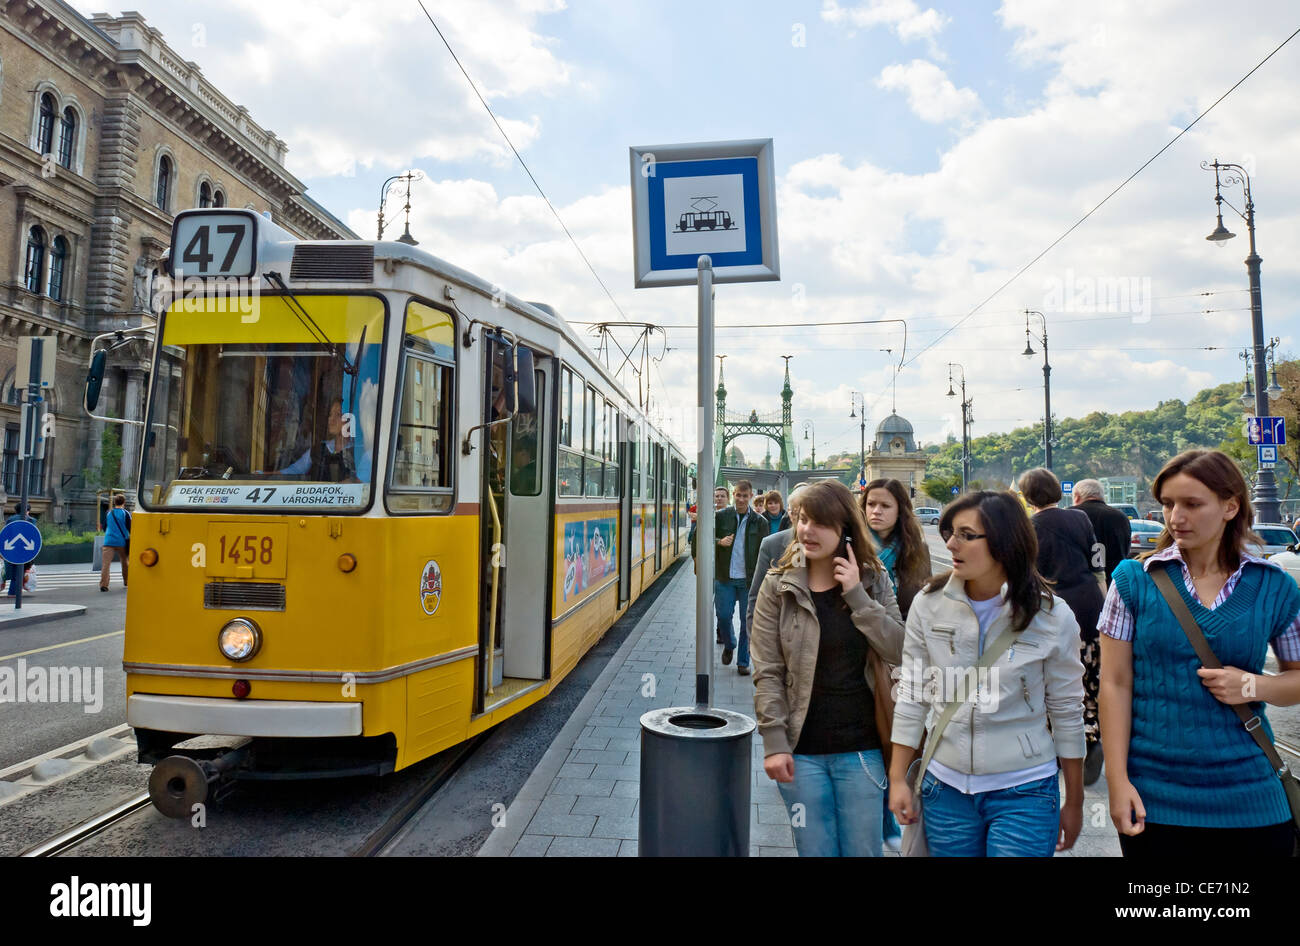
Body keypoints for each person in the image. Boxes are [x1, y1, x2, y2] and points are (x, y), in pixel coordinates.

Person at [1099, 449, 1300, 858]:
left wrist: (1252, 684)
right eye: (1168, 504)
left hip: (1251, 796)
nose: (1175, 518)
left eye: (1192, 504)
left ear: (1230, 507)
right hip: (1155, 796)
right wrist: (1117, 782)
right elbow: (1114, 684)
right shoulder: (1133, 581)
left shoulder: (1274, 586)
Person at [889, 490, 1086, 857]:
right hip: (944, 788)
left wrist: (1074, 801)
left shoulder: (1051, 616)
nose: (950, 543)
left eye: (966, 535)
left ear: (1004, 541)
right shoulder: (929, 604)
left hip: (1025, 790)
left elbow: (1067, 711)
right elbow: (912, 695)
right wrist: (899, 778)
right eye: (950, 532)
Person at [751, 480, 905, 856]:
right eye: (803, 519)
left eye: (820, 523)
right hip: (801, 752)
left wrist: (856, 595)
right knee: (814, 850)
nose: (807, 530)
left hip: (862, 751)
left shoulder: (873, 578)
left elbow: (899, 649)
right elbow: (767, 670)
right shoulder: (778, 586)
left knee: (862, 851)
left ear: (845, 529)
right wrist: (774, 742)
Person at [1020, 467, 1108, 785]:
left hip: (1053, 610)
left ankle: (1055, 749)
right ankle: (1091, 738)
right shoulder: (1080, 519)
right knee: (1087, 680)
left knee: (1052, 683)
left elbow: (1026, 576)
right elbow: (1097, 563)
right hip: (1089, 607)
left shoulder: (1029, 527)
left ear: (1028, 497)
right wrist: (1104, 603)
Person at [861, 477, 933, 850]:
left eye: (885, 505)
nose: (875, 511)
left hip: (896, 662)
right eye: (871, 503)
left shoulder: (914, 552)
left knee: (893, 738)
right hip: (858, 661)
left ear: (900, 510)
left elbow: (923, 612)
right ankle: (878, 815)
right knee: (870, 740)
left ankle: (889, 812)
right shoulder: (851, 546)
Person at [691, 480, 764, 673]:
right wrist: (718, 541)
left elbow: (764, 552)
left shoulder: (760, 522)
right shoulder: (720, 516)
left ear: (751, 497)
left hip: (748, 580)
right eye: (738, 495)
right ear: (733, 495)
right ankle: (730, 644)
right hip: (725, 577)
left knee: (746, 622)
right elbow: (699, 536)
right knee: (723, 616)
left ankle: (743, 662)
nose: (741, 499)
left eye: (745, 496)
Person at [746, 483, 809, 629]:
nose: (803, 521)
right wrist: (755, 646)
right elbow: (756, 597)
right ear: (790, 514)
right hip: (779, 633)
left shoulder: (834, 544)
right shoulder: (771, 545)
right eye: (797, 513)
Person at [1072, 478, 1132, 587]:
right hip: (1116, 583)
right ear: (1101, 495)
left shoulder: (1071, 515)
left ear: (1076, 496)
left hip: (1079, 585)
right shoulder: (1120, 517)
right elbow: (1125, 550)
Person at [281, 398, 357, 482]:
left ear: (350, 419)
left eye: (338, 414)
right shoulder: (319, 449)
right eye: (330, 414)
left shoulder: (357, 451)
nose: (331, 419)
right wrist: (266, 475)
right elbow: (293, 470)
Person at [101, 493, 131, 592]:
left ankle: (104, 585)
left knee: (106, 564)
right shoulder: (125, 513)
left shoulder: (109, 512)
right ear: (124, 502)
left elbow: (104, 527)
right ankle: (127, 581)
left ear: (114, 502)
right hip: (121, 541)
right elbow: (130, 527)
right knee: (125, 562)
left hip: (108, 541)